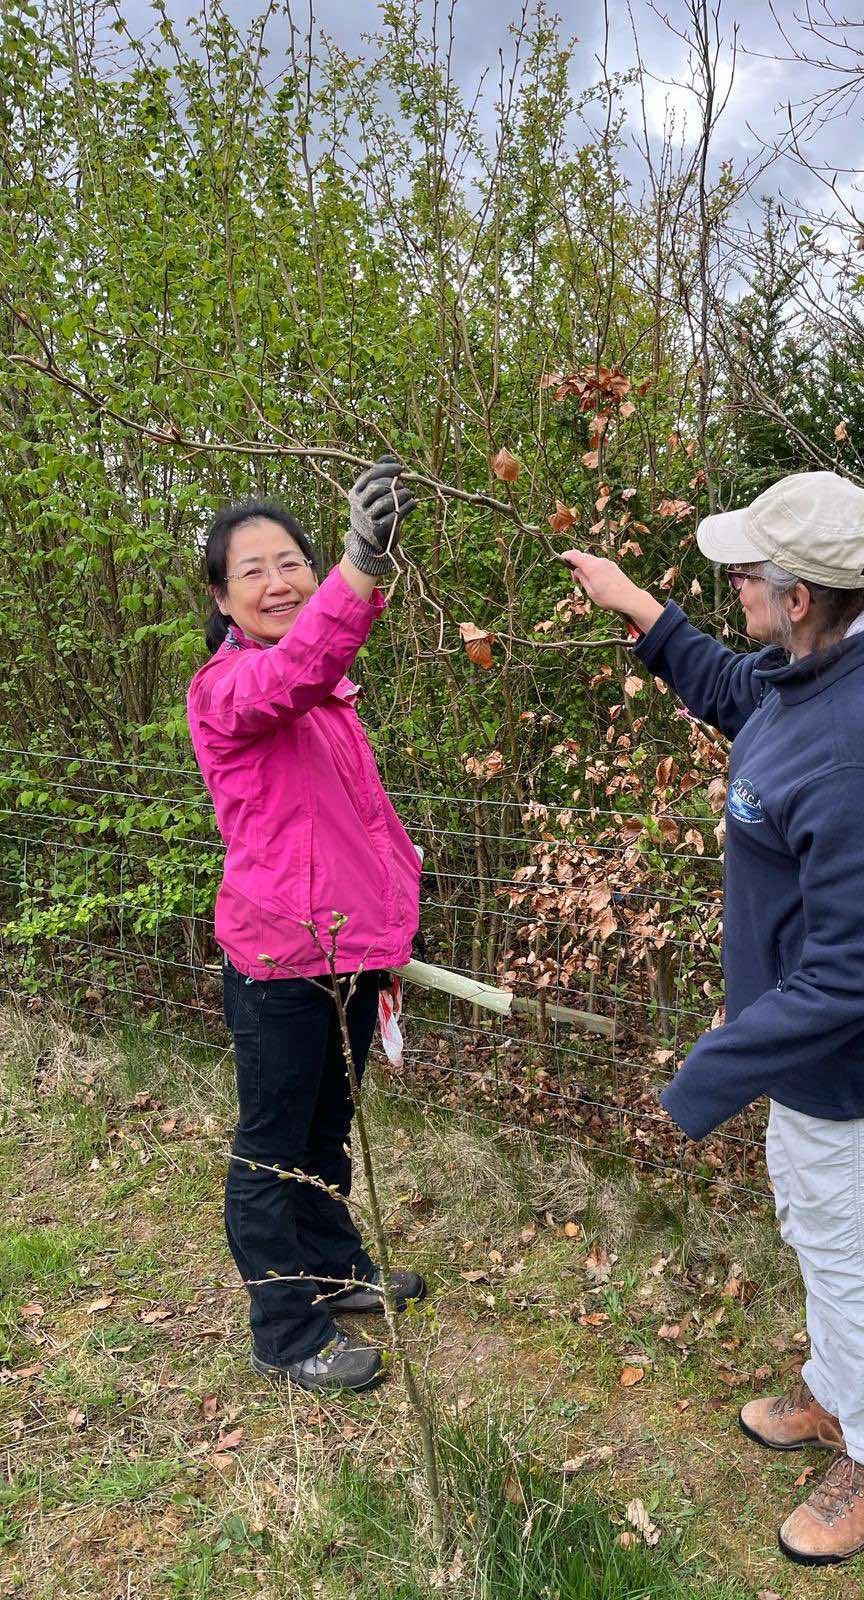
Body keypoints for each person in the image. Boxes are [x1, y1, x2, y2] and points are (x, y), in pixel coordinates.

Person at [561, 472, 864, 1566]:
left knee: (852, 1246)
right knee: (821, 1226)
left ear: (798, 597)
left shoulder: (862, 743)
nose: (729, 584)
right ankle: (840, 1393)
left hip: (854, 1060)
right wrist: (641, 611)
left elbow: (862, 965)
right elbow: (742, 693)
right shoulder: (819, 670)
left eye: (743, 573)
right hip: (807, 1053)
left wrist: (711, 1071)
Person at [188, 459, 427, 1395]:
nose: (279, 581)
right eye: (254, 570)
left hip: (351, 954)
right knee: (271, 1148)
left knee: (326, 1131)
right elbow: (300, 664)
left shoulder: (326, 700)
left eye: (293, 561)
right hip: (281, 963)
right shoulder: (232, 690)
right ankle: (284, 1330)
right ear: (222, 595)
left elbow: (356, 823)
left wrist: (391, 930)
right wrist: (361, 569)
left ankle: (335, 1274)